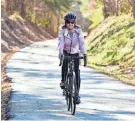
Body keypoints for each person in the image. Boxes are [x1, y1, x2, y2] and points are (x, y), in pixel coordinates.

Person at [58, 13, 87, 104]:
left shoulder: (78, 31)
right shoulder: (62, 31)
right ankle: (63, 81)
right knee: (65, 64)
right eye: (68, 22)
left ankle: (77, 94)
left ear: (74, 23)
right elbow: (61, 42)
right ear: (65, 23)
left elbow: (82, 43)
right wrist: (61, 53)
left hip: (75, 52)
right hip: (65, 51)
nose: (70, 24)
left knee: (77, 72)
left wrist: (84, 54)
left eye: (72, 22)